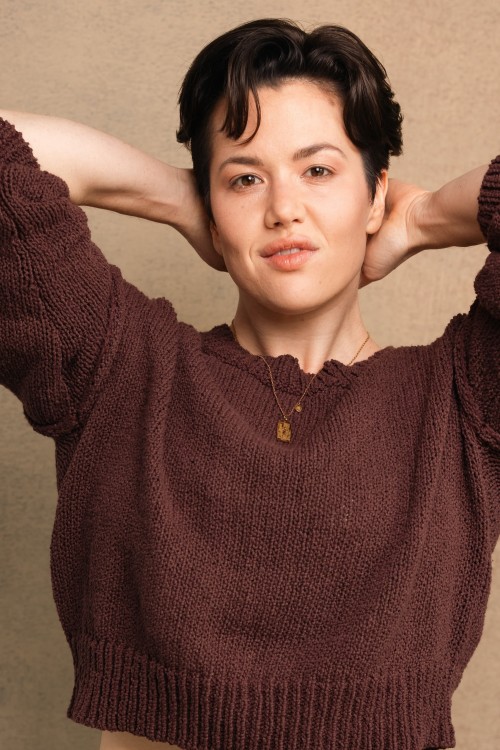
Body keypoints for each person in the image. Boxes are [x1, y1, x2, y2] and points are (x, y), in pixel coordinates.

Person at [0, 17, 498, 750]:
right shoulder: (120, 367)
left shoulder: (463, 399)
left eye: (318, 170)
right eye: (245, 179)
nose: (283, 208)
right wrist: (176, 199)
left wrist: (422, 218)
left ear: (374, 194)